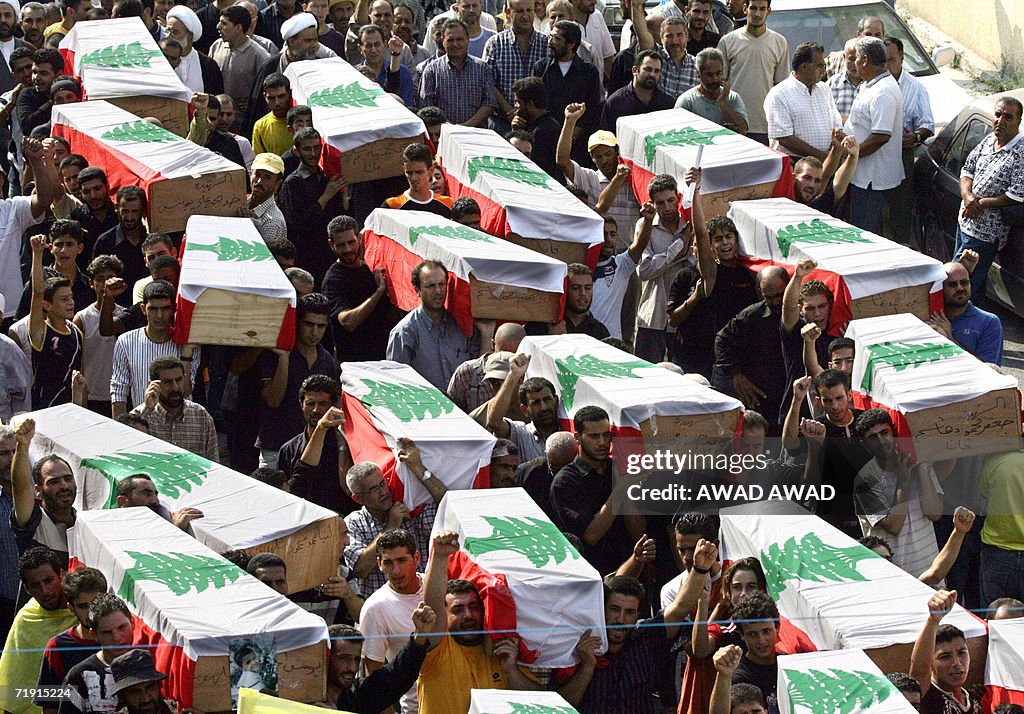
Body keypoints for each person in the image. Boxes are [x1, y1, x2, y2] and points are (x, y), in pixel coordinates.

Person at [417, 531, 568, 712]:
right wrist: (441, 557)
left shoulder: (499, 649)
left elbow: (540, 704)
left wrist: (512, 671)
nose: (468, 615)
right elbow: (432, 606)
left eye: (474, 607)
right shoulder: (437, 650)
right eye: (457, 609)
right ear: (444, 614)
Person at [559, 547, 719, 713]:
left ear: (637, 614)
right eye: (614, 609)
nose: (620, 619)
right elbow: (562, 706)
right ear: (601, 609)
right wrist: (587, 666)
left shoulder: (646, 637)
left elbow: (679, 608)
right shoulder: (581, 642)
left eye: (629, 612)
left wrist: (699, 569)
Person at [852, 409, 944, 579]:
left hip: (930, 572)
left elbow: (935, 513)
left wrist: (923, 468)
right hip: (894, 578)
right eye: (872, 437)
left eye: (884, 432)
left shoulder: (916, 464)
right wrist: (904, 480)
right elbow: (894, 526)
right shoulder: (865, 480)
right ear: (864, 444)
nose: (881, 441)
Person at [256, 293, 340, 469]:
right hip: (275, 448)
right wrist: (284, 359)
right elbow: (273, 399)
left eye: (321, 326)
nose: (314, 332)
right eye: (309, 324)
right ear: (296, 322)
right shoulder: (274, 354)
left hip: (312, 449)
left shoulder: (327, 360)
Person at [549, 405, 636, 575]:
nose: (602, 442)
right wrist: (620, 489)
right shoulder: (565, 482)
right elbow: (591, 535)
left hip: (630, 569)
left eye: (606, 435)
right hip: (592, 574)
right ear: (578, 438)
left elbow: (637, 531)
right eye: (594, 436)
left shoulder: (617, 471)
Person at [669, 211, 757, 379]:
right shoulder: (706, 273)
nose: (725, 243)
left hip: (731, 359)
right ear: (709, 246)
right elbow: (672, 320)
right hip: (692, 356)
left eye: (728, 237)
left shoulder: (748, 275)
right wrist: (695, 298)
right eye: (718, 239)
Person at [954, 95, 1024, 300]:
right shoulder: (988, 140)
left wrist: (980, 203)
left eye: (1008, 117)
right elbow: (967, 169)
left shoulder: (1020, 152)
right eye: (998, 115)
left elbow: (1017, 194)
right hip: (964, 221)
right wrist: (967, 197)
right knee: (965, 279)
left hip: (985, 233)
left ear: (1018, 122)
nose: (1001, 121)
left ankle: (963, 327)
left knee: (963, 283)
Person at [344, 455, 444, 597]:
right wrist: (391, 526)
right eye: (374, 490)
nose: (384, 492)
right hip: (382, 612)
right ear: (358, 498)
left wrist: (418, 467)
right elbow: (360, 569)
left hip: (422, 602)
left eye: (383, 483)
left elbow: (448, 506)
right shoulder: (354, 523)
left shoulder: (409, 507)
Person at [387, 260, 490, 390]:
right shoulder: (405, 332)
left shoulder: (462, 326)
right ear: (417, 290)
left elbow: (479, 370)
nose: (438, 291)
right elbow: (396, 382)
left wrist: (487, 333)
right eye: (430, 286)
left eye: (441, 284)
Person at [356, 528, 427, 713]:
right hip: (416, 707)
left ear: (417, 558)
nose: (395, 570)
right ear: (379, 564)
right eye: (388, 562)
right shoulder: (375, 609)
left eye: (402, 560)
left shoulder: (435, 587)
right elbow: (374, 677)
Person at [712, 265, 789, 433]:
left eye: (779, 295)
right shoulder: (752, 316)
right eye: (769, 297)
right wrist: (736, 375)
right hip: (762, 398)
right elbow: (722, 340)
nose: (775, 302)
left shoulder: (802, 312)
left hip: (791, 397)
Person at [0, 547, 75, 714]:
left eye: (48, 580)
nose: (45, 591)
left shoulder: (81, 612)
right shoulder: (26, 618)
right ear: (27, 589)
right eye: (35, 585)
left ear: (61, 575)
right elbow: (14, 681)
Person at [110, 280, 199, 417]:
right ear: (143, 309)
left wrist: (186, 356)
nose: (159, 315)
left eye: (165, 309)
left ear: (174, 309)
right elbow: (119, 391)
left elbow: (186, 391)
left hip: (181, 426)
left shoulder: (188, 344)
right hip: (142, 424)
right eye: (153, 309)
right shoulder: (125, 342)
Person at [843, 36, 903, 235]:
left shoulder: (883, 91)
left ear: (866, 60)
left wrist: (852, 154)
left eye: (856, 58)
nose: (854, 63)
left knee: (865, 233)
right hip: (861, 175)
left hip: (872, 179)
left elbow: (880, 136)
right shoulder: (870, 84)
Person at [556, 105, 640, 246]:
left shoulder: (634, 179)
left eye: (608, 154)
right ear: (592, 158)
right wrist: (570, 121)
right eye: (598, 156)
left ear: (617, 151)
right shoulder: (588, 178)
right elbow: (563, 161)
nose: (604, 160)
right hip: (597, 255)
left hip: (629, 258)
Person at [278, 127, 349, 286]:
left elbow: (338, 214)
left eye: (316, 148)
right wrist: (326, 196)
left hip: (328, 253)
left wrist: (343, 194)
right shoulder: (293, 183)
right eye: (307, 149)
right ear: (297, 152)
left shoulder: (326, 178)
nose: (312, 153)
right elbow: (299, 222)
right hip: (307, 256)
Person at [326, 608, 434, 712]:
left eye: (357, 660)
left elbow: (397, 675)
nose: (353, 667)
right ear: (326, 657)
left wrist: (420, 636)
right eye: (344, 659)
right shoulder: (310, 697)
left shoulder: (358, 697)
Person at [277, 374, 357, 514]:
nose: (316, 410)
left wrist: (342, 446)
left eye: (322, 404)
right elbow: (286, 495)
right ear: (301, 404)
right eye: (310, 404)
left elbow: (350, 489)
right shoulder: (288, 450)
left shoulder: (347, 444)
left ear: (333, 406)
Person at [322, 215, 398, 362]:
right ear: (331, 245)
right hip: (356, 362)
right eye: (341, 245)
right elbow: (348, 322)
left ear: (360, 238)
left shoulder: (369, 269)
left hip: (384, 357)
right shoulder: (333, 280)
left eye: (351, 242)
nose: (348, 249)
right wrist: (379, 291)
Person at [635, 172, 692, 363]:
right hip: (653, 317)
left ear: (678, 198)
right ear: (652, 203)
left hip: (684, 318)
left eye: (670, 200)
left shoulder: (689, 226)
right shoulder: (645, 225)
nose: (667, 208)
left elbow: (694, 263)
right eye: (660, 203)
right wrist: (678, 250)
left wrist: (671, 257)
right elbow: (644, 270)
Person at [881, 36, 933, 243]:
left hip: (902, 154)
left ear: (902, 58)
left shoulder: (915, 87)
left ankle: (900, 244)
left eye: (891, 59)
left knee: (900, 207)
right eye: (883, 60)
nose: (887, 65)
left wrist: (916, 135)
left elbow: (927, 124)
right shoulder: (871, 85)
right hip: (874, 151)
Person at [531, 20, 602, 168]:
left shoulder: (588, 72)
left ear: (571, 44)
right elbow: (534, 105)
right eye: (550, 37)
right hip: (545, 143)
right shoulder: (541, 68)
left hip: (577, 146)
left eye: (556, 39)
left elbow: (592, 112)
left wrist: (570, 136)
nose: (550, 42)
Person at [35, 568, 107, 713]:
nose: (91, 612)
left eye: (95, 603)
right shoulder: (57, 648)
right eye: (83, 606)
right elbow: (50, 708)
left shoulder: (121, 639)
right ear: (71, 609)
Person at [716, 0, 787, 144]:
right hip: (733, 124)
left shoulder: (780, 42)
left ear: (769, 11)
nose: (757, 13)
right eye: (753, 8)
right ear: (745, 9)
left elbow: (781, 87)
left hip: (766, 127)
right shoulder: (727, 41)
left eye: (762, 9)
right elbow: (719, 83)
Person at [0, 136, 56, 318]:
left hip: (9, 311)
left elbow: (44, 200)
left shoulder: (12, 209)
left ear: (1, 180)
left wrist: (36, 162)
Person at [27, 234, 83, 409]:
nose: (71, 303)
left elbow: (80, 379)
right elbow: (37, 294)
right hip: (45, 411)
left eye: (71, 298)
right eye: (64, 299)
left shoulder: (77, 332)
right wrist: (37, 254)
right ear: (47, 305)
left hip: (71, 411)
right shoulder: (40, 333)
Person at [128, 356, 219, 461]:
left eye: (179, 380)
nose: (175, 387)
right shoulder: (141, 416)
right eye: (167, 382)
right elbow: (126, 450)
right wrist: (147, 409)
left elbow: (215, 464)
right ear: (153, 385)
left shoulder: (201, 416)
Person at [61, 594, 138, 714]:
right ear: (94, 635)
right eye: (107, 632)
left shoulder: (147, 664)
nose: (117, 638)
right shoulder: (78, 677)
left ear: (133, 623)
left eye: (122, 627)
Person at [10, 422, 76, 560]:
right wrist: (22, 446)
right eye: (54, 482)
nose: (64, 486)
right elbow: (20, 487)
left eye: (68, 478)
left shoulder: (84, 521)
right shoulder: (34, 520)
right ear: (38, 490)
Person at [765, 41, 840, 161]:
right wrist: (820, 156)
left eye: (824, 66)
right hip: (795, 165)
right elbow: (784, 137)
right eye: (819, 66)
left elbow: (836, 125)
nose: (823, 71)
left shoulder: (824, 89)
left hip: (825, 163)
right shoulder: (779, 93)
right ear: (804, 67)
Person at [910, 589, 980, 714]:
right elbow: (919, 672)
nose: (957, 663)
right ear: (930, 663)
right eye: (945, 657)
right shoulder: (927, 698)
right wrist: (933, 620)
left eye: (961, 653)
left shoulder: (976, 696)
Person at [591, 201, 651, 339]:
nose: (609, 239)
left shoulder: (620, 265)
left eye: (613, 234)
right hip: (584, 341)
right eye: (603, 234)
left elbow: (640, 245)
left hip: (612, 343)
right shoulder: (580, 268)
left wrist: (648, 220)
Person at [928, 259, 1003, 365]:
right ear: (940, 288)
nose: (960, 288)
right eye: (952, 284)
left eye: (964, 283)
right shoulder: (929, 317)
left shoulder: (989, 322)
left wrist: (950, 339)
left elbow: (989, 370)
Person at [486, 358, 562, 462]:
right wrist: (513, 375)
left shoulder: (570, 430)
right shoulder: (521, 434)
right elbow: (494, 423)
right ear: (525, 410)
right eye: (535, 403)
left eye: (547, 399)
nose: (543, 407)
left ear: (556, 400)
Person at [446, 322, 526, 413]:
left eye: (513, 355)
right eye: (503, 352)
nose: (508, 360)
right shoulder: (468, 373)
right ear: (493, 344)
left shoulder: (531, 373)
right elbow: (451, 412)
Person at [210, 5, 271, 115]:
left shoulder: (259, 55)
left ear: (238, 28)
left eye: (224, 23)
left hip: (244, 118)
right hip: (217, 116)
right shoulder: (216, 46)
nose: (218, 27)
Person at [675, 47, 748, 133]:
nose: (715, 79)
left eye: (718, 73)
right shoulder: (687, 101)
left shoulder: (732, 98)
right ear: (699, 75)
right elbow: (677, 131)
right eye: (709, 75)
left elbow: (743, 129)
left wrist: (723, 103)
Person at [91, 186, 149, 291]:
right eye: (125, 211)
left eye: (135, 211)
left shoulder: (151, 241)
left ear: (142, 211)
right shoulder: (105, 242)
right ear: (117, 208)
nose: (129, 217)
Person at [601, 49, 674, 132]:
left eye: (656, 71)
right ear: (635, 70)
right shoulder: (615, 102)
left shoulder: (667, 104)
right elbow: (606, 138)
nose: (652, 74)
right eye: (648, 69)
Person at [791, 131, 860, 217]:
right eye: (807, 178)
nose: (812, 185)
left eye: (817, 181)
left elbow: (839, 184)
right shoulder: (781, 201)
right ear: (793, 178)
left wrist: (853, 156)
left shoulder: (820, 205)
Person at [633, 14, 697, 101]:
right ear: (661, 38)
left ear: (687, 36)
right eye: (669, 36)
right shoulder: (656, 57)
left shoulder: (697, 65)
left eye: (679, 35)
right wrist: (636, 6)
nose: (675, 41)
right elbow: (642, 35)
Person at [510, 76, 562, 182]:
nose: (515, 106)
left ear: (530, 104)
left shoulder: (542, 132)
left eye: (518, 102)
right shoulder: (537, 125)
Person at [165, 5, 225, 94]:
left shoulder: (208, 65)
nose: (168, 36)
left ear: (190, 35)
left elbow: (216, 100)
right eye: (167, 31)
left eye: (175, 32)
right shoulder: (160, 61)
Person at [384, 142, 454, 216]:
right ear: (404, 170)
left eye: (419, 172)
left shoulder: (448, 204)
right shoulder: (392, 206)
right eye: (409, 172)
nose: (413, 178)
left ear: (431, 170)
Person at [357, 24, 415, 107]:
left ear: (384, 45)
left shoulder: (403, 73)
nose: (373, 50)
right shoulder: (355, 75)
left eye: (377, 44)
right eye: (368, 46)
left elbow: (409, 107)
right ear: (360, 49)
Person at [107, 649, 180, 714]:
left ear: (159, 685)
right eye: (135, 692)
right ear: (121, 696)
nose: (146, 699)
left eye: (150, 687)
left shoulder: (178, 711)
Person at [247, 152, 288, 243]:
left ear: (277, 184)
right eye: (257, 174)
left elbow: (261, 254)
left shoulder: (273, 222)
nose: (259, 181)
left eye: (267, 177)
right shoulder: (241, 203)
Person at [562, 263, 611, 338]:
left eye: (587, 288)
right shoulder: (551, 326)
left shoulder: (600, 332)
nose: (583, 293)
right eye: (575, 288)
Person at [253, 73, 296, 156]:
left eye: (281, 96)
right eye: (271, 98)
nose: (277, 103)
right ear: (264, 97)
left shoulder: (303, 120)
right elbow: (260, 160)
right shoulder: (260, 126)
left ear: (290, 93)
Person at [569, 0, 613, 82]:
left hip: (598, 92)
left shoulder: (597, 16)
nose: (595, 2)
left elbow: (608, 57)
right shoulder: (562, 22)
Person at [827, 38, 861, 120]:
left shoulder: (872, 84)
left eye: (859, 59)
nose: (855, 64)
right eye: (852, 59)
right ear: (844, 57)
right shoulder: (832, 84)